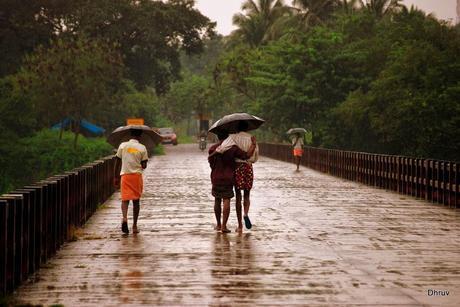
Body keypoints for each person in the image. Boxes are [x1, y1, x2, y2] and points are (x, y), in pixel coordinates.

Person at [214, 121, 258, 232]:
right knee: (247, 194)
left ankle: (239, 226)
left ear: (236, 128)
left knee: (238, 195)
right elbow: (255, 157)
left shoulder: (233, 137)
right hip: (248, 167)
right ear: (247, 128)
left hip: (237, 168)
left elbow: (222, 148)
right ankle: (246, 213)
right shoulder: (252, 139)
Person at [114, 129, 148, 234]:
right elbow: (144, 166)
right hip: (136, 177)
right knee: (136, 201)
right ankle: (134, 226)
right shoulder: (142, 147)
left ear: (130, 135)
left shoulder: (123, 146)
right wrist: (143, 162)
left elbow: (117, 161)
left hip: (125, 176)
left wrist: (115, 176)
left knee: (125, 199)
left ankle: (124, 218)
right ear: (140, 136)